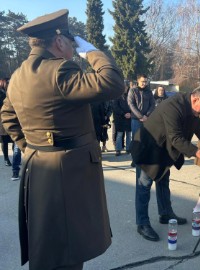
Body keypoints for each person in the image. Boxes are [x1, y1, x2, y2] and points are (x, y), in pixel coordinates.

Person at [0, 9, 124, 270]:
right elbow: (112, 82)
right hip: (67, 173)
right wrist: (91, 51)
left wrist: (29, 147)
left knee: (48, 241)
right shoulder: (60, 69)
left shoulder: (19, 75)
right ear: (59, 41)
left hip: (38, 166)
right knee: (69, 247)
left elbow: (7, 116)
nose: (71, 50)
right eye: (71, 43)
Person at [131, 87, 200, 242]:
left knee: (163, 181)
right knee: (144, 186)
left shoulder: (192, 110)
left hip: (164, 150)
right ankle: (142, 223)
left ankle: (165, 213)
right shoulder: (173, 106)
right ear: (195, 99)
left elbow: (198, 127)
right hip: (149, 150)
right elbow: (176, 138)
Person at [127, 74, 155, 139]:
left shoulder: (149, 91)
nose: (144, 83)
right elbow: (131, 104)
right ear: (138, 81)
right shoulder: (133, 90)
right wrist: (141, 116)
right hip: (136, 119)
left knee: (146, 139)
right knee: (136, 139)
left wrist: (146, 116)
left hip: (147, 119)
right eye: (142, 81)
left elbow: (152, 104)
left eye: (145, 81)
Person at [112, 82, 132, 156]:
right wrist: (124, 114)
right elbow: (115, 107)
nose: (125, 89)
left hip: (129, 118)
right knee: (119, 135)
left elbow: (133, 105)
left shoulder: (130, 96)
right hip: (120, 118)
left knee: (129, 135)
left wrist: (130, 113)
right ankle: (118, 149)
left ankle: (128, 149)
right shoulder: (116, 96)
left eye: (126, 87)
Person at [0, 78, 13, 167]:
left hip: (12, 117)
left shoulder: (12, 92)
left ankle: (15, 158)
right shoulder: (1, 94)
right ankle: (6, 158)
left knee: (14, 139)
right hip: (2, 118)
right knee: (4, 140)